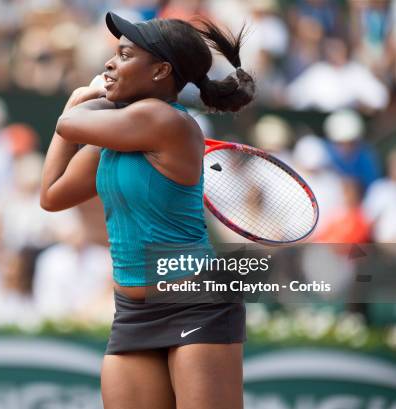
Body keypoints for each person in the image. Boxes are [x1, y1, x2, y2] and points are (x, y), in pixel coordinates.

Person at [40, 12, 254, 409]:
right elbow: (51, 195)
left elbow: (69, 125)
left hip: (194, 302)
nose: (109, 63)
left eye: (123, 55)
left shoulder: (162, 119)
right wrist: (74, 111)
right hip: (132, 311)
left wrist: (77, 103)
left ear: (160, 71)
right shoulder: (118, 136)